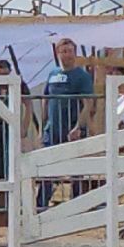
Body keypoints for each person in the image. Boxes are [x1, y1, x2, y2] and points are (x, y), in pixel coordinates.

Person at [35, 36, 93, 210]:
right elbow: (45, 100)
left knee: (75, 169)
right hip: (52, 129)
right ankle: (40, 206)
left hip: (72, 130)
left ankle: (77, 206)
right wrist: (42, 128)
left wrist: (79, 126)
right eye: (64, 51)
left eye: (70, 51)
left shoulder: (82, 76)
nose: (67, 55)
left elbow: (88, 104)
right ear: (57, 53)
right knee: (46, 168)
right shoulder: (52, 74)